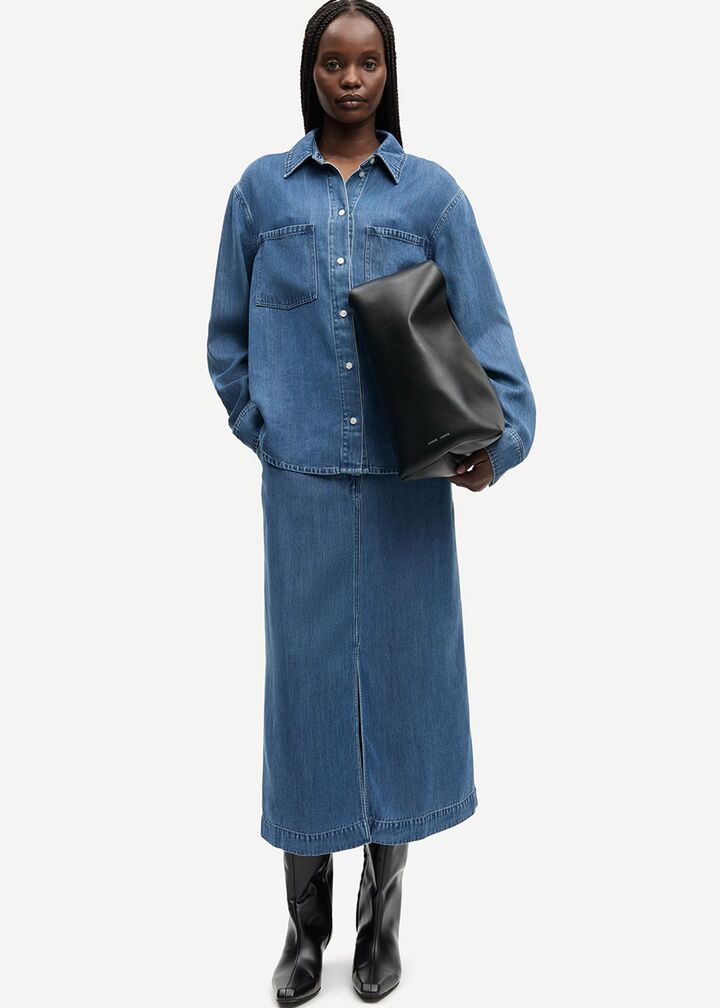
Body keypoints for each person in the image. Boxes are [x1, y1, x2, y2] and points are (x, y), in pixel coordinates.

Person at [206, 1, 536, 1002]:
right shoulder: (261, 192)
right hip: (301, 489)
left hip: (406, 487)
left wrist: (494, 445)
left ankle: (380, 915)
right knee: (306, 699)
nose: (350, 80)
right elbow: (227, 341)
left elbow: (485, 328)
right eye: (333, 62)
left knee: (402, 687)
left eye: (368, 63)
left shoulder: (433, 195)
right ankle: (303, 927)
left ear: (390, 73)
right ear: (309, 71)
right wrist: (266, 425)